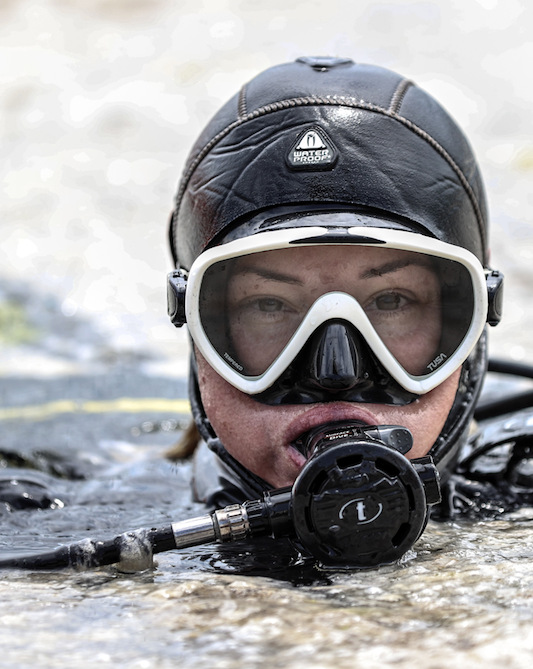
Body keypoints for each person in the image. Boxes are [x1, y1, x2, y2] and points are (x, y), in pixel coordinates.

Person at [165, 56, 503, 509]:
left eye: (391, 300)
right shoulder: (74, 522)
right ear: (194, 325)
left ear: (473, 323)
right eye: (268, 304)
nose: (337, 373)